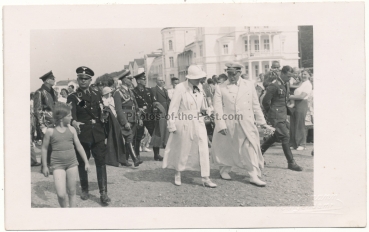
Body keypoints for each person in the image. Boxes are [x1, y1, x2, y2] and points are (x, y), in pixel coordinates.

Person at [211, 62, 274, 187]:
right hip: (229, 122)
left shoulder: (249, 85)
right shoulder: (221, 87)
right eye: (229, 74)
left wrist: (262, 122)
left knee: (249, 147)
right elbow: (217, 108)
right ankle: (224, 169)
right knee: (227, 147)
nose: (231, 76)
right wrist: (221, 125)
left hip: (247, 122)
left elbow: (255, 105)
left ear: (239, 72)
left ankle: (253, 174)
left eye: (234, 74)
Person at [163, 65, 217, 188]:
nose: (199, 80)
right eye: (197, 78)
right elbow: (173, 107)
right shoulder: (180, 87)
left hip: (198, 121)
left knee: (203, 148)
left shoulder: (200, 87)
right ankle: (178, 172)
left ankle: (205, 177)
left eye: (200, 78)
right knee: (183, 148)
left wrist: (208, 109)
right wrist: (171, 124)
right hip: (183, 121)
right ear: (190, 78)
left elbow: (201, 105)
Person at [67, 66, 111, 204]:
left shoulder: (97, 94)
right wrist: (73, 122)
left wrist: (104, 116)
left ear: (90, 80)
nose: (83, 81)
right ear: (77, 79)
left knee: (101, 162)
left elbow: (100, 113)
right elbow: (70, 116)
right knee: (82, 162)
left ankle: (103, 193)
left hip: (97, 133)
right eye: (81, 78)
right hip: (83, 134)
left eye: (86, 78)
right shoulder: (73, 97)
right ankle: (85, 188)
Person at [41, 102, 90, 208]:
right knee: (61, 194)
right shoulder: (50, 131)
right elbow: (44, 148)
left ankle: (71, 216)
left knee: (72, 192)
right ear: (61, 118)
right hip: (57, 165)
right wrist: (45, 166)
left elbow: (79, 146)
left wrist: (86, 162)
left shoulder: (72, 130)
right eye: (69, 115)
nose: (72, 117)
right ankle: (64, 210)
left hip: (72, 164)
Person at [261, 66, 303, 171]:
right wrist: (271, 112)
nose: (289, 79)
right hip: (275, 115)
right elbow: (265, 101)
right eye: (288, 76)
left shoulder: (286, 83)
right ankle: (291, 162)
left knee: (276, 136)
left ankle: (259, 152)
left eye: (291, 76)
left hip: (282, 114)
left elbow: (285, 99)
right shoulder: (274, 85)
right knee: (285, 136)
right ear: (282, 74)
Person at [113, 70, 143, 167]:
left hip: (133, 117)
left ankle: (125, 159)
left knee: (130, 139)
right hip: (126, 118)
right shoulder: (118, 92)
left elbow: (135, 105)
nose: (131, 80)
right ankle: (135, 159)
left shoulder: (130, 91)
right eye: (129, 78)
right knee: (129, 138)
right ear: (124, 80)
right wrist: (124, 122)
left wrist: (139, 118)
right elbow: (118, 109)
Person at [132, 71, 162, 160]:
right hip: (140, 116)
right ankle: (137, 155)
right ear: (138, 81)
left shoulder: (149, 90)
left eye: (145, 79)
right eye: (142, 79)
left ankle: (156, 154)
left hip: (150, 116)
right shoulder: (133, 92)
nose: (145, 81)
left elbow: (154, 102)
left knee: (154, 135)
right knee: (138, 136)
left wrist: (156, 107)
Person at [33, 71, 58, 170]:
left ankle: (50, 164)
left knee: (53, 144)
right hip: (45, 122)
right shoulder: (39, 92)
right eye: (53, 78)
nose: (54, 80)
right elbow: (37, 110)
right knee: (46, 145)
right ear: (47, 80)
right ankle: (45, 165)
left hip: (54, 121)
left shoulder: (53, 92)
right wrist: (42, 125)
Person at [288, 69, 313, 150]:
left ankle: (301, 144)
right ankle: (293, 143)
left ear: (309, 75)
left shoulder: (308, 84)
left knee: (300, 123)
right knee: (293, 123)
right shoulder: (300, 83)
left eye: (305, 74)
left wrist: (289, 97)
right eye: (302, 74)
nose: (303, 76)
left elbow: (302, 96)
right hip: (295, 103)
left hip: (302, 103)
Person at [150, 76, 171, 161]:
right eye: (160, 80)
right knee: (157, 134)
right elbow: (155, 102)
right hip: (159, 114)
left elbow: (168, 101)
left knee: (165, 133)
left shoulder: (165, 90)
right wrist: (161, 111)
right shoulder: (154, 90)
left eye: (162, 80)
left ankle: (165, 153)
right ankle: (156, 154)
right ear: (156, 81)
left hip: (166, 113)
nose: (162, 81)